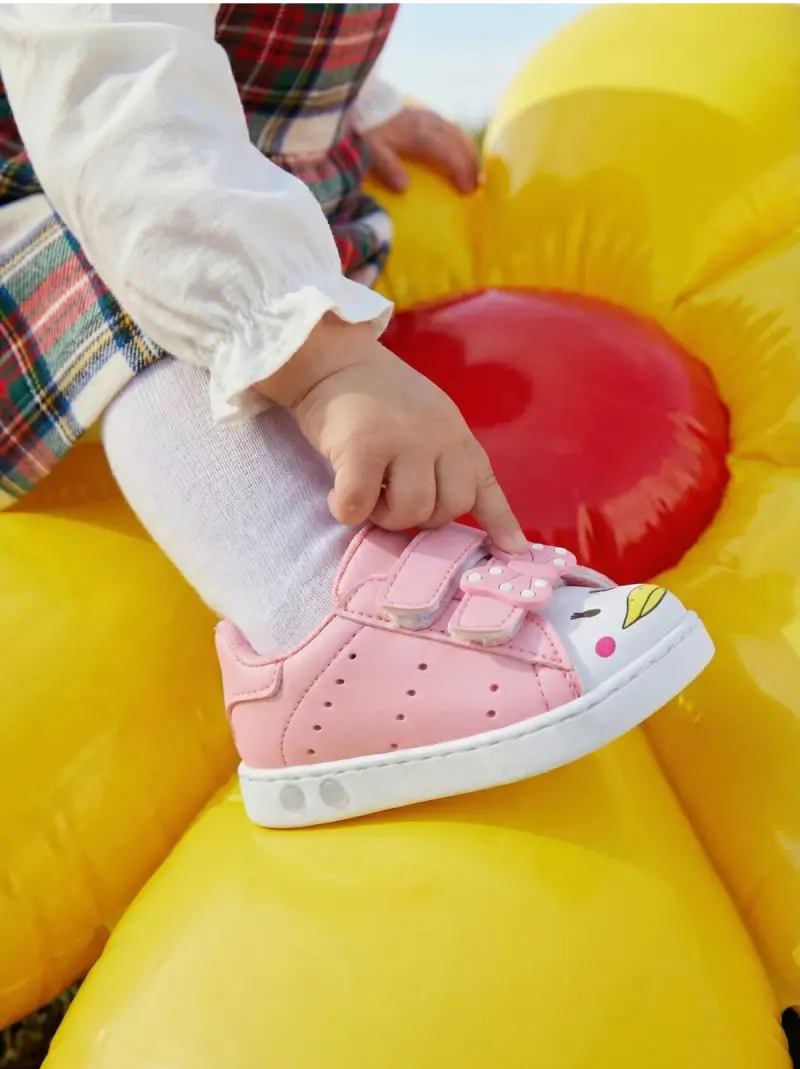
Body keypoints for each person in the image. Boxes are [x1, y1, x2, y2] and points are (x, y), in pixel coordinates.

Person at [0, 4, 713, 828]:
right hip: (85, 178)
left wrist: (363, 103)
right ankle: (310, 628)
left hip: (226, 172)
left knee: (199, 257)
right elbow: (114, 88)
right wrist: (323, 362)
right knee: (153, 271)